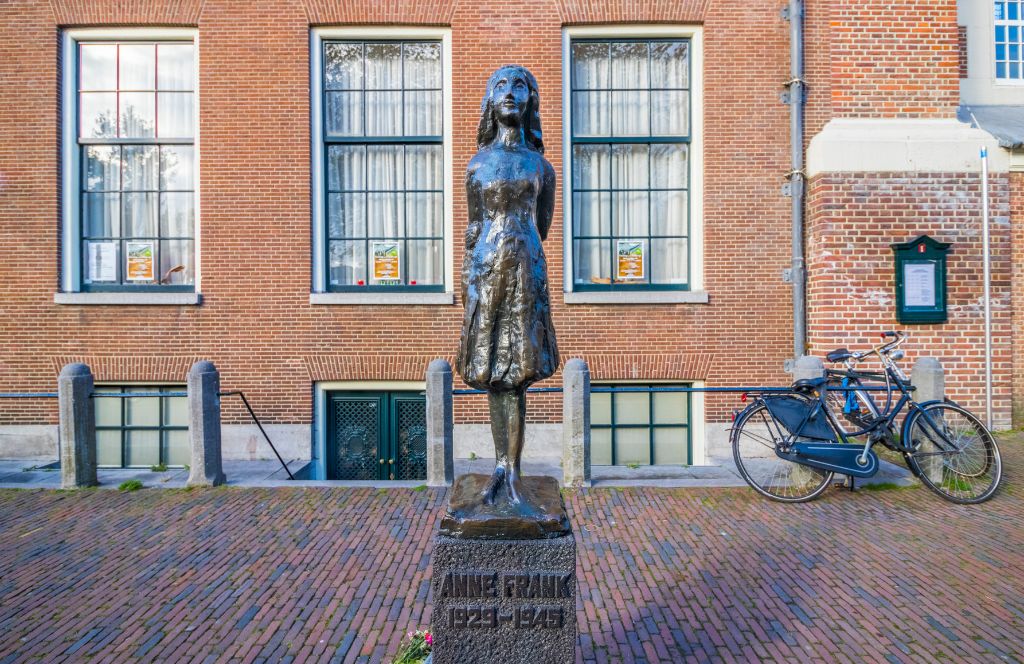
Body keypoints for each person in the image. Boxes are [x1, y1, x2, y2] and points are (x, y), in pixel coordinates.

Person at [456, 65, 559, 509]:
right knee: (494, 376)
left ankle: (513, 472)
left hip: (526, 273)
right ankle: (500, 466)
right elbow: (473, 227)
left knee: (517, 376)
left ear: (531, 99)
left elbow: (543, 225)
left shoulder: (541, 166)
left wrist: (521, 259)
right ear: (490, 101)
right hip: (485, 274)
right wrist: (469, 285)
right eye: (500, 85)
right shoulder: (477, 165)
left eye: (520, 85)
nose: (510, 93)